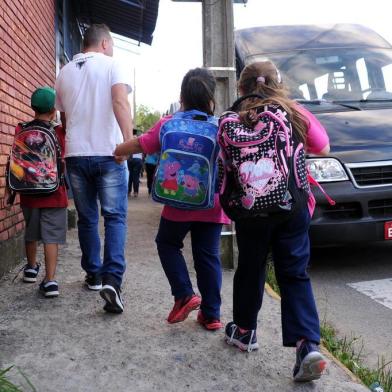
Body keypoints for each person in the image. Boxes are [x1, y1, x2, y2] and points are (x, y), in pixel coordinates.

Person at [222, 61, 330, 382]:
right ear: (278, 83)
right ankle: (306, 344)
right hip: (291, 205)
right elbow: (323, 147)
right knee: (294, 272)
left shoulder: (234, 116)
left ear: (240, 88)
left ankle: (244, 331)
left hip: (250, 207)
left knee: (251, 266)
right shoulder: (294, 112)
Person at [114, 68, 230, 330]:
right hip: (211, 203)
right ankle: (211, 315)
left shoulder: (169, 124)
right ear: (212, 97)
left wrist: (118, 152)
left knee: (167, 243)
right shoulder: (220, 127)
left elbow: (141, 144)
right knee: (208, 256)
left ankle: (184, 293)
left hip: (177, 203)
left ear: (182, 97)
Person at [55, 24, 133, 313]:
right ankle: (112, 279)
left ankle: (94, 274)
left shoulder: (63, 72)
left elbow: (64, 117)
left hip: (76, 154)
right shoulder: (113, 64)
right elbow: (119, 101)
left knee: (87, 219)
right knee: (114, 218)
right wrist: (129, 143)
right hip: (109, 153)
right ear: (104, 43)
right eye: (110, 44)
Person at [4, 87, 68, 298]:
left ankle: (31, 268)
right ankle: (50, 281)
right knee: (51, 237)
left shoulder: (21, 128)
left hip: (28, 192)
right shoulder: (59, 131)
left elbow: (13, 162)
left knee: (30, 233)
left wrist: (9, 192)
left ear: (33, 108)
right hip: (54, 193)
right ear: (53, 110)